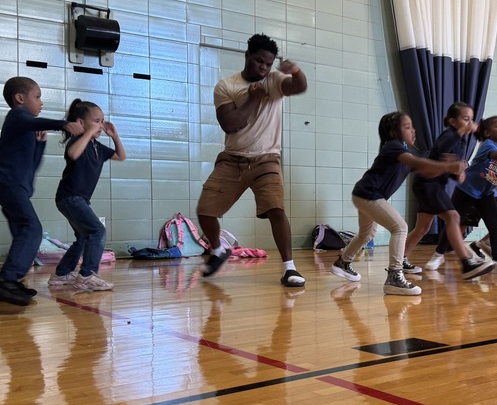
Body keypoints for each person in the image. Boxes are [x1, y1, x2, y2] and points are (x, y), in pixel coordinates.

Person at [196, 34, 308, 287]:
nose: (264, 68)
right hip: (232, 159)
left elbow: (298, 87)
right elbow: (230, 125)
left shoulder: (275, 80)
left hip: (267, 159)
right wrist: (254, 98)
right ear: (247, 56)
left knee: (276, 209)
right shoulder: (226, 86)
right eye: (259, 61)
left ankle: (289, 268)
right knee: (205, 210)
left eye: (268, 64)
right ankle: (217, 250)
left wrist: (296, 71)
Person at [330, 111, 466, 296]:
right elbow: (417, 163)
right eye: (407, 127)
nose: (413, 130)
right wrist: (448, 166)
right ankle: (394, 276)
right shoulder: (393, 146)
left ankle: (343, 262)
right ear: (394, 132)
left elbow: (426, 169)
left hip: (363, 194)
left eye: (412, 126)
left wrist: (450, 170)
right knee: (400, 227)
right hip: (369, 195)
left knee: (366, 233)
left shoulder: (403, 149)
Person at [0, 77, 83, 306]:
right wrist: (63, 124)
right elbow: (31, 121)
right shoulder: (17, 116)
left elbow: (32, 164)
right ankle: (6, 280)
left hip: (12, 186)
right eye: (37, 97)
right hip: (8, 184)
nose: (41, 102)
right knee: (32, 228)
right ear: (20, 98)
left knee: (23, 233)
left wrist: (39, 145)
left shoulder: (26, 128)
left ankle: (12, 281)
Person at [430, 116, 497, 276]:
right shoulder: (488, 145)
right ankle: (438, 255)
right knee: (454, 222)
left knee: (495, 227)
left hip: (487, 194)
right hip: (467, 190)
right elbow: (496, 157)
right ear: (487, 132)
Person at [403, 102, 493, 280]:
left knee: (422, 228)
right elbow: (440, 149)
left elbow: (445, 163)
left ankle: (398, 260)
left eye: (471, 119)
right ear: (453, 121)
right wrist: (461, 132)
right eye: (465, 119)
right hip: (428, 183)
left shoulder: (460, 142)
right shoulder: (450, 135)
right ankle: (466, 261)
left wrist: (456, 174)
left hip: (429, 184)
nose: (470, 123)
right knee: (454, 217)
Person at [47, 99, 126, 293]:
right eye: (97, 121)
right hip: (70, 197)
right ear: (81, 123)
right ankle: (88, 275)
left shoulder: (97, 147)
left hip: (78, 199)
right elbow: (73, 154)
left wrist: (115, 136)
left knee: (83, 237)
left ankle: (61, 273)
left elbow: (120, 155)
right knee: (97, 231)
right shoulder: (77, 142)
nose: (101, 125)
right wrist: (89, 132)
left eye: (102, 121)